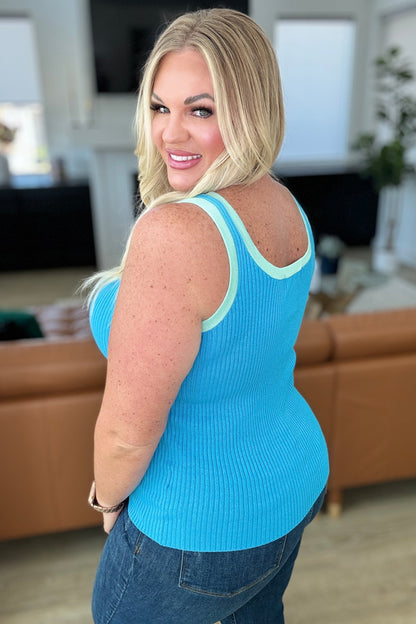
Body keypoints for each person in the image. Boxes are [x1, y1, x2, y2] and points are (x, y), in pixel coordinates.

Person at [86, 8, 329, 624]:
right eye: (160, 107)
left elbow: (126, 433)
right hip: (293, 479)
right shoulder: (285, 203)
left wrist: (108, 500)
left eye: (201, 110)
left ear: (251, 111)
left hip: (197, 525)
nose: (170, 134)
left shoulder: (175, 232)